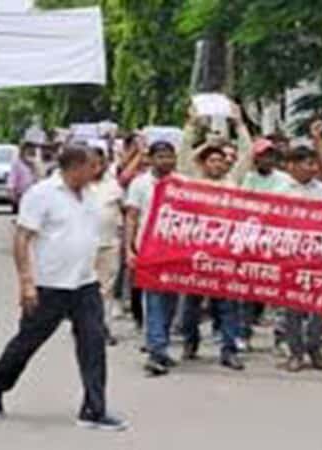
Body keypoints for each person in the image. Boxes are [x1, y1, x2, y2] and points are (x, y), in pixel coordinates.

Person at [0, 145, 128, 431]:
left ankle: (94, 410)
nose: (97, 171)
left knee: (93, 345)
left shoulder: (90, 195)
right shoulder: (42, 194)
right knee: (27, 343)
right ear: (75, 167)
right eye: (92, 166)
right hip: (49, 286)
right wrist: (26, 282)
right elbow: (22, 238)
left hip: (85, 284)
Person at [177, 101, 253, 371]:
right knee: (191, 304)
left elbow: (247, 154)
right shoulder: (193, 181)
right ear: (204, 163)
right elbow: (184, 153)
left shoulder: (233, 182)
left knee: (229, 304)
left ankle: (229, 349)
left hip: (225, 252)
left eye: (221, 160)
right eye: (212, 160)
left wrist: (239, 124)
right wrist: (193, 124)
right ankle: (190, 340)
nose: (217, 164)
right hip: (197, 251)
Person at [277, 122, 322, 373]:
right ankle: (296, 352)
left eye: (313, 163)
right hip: (290, 255)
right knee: (293, 309)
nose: (312, 168)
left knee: (321, 305)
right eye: (307, 163)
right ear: (291, 166)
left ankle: (314, 345)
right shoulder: (280, 190)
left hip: (319, 254)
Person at [124, 140, 180, 376]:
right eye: (161, 156)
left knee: (171, 302)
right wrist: (129, 248)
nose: (165, 161)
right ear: (151, 159)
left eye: (169, 156)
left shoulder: (181, 183)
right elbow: (132, 217)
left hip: (175, 249)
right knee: (154, 300)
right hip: (149, 249)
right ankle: (156, 350)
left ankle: (162, 346)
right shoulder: (139, 184)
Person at [238, 137, 294, 350]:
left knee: (280, 293)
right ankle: (244, 333)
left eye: (270, 155)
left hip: (278, 242)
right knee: (247, 292)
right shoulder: (248, 179)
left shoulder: (284, 180)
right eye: (262, 155)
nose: (266, 159)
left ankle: (281, 336)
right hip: (251, 242)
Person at [89, 145, 125, 347]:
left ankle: (103, 327)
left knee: (106, 289)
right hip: (81, 247)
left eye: (99, 162)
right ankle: (85, 325)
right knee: (83, 288)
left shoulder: (113, 186)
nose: (95, 166)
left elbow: (126, 212)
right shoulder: (77, 185)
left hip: (109, 244)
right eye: (91, 162)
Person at [8, 139, 42, 215]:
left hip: (36, 194)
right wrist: (11, 191)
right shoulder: (17, 162)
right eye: (27, 149)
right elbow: (12, 178)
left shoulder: (36, 162)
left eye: (32, 149)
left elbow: (40, 177)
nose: (30, 151)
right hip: (22, 194)